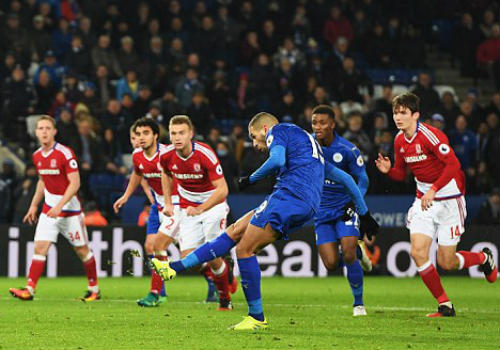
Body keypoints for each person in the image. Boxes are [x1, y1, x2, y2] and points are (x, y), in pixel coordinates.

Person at [152, 112, 379, 330]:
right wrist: (365, 214)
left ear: (264, 129)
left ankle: (256, 317)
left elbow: (277, 158)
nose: (254, 143)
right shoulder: (310, 147)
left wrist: (250, 179)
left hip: (289, 198)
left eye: (253, 136)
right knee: (235, 231)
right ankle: (174, 267)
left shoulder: (280, 129)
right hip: (300, 203)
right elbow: (346, 179)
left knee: (244, 250)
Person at [375, 92, 497, 317]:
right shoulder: (400, 140)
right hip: (424, 201)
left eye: (403, 113)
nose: (398, 117)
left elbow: (453, 165)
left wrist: (433, 189)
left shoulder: (431, 136)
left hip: (449, 200)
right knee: (418, 252)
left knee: (447, 262)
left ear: (416, 115)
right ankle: (444, 304)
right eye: (395, 113)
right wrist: (388, 172)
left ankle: (483, 258)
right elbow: (401, 173)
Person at [9, 115, 100, 301]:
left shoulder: (65, 153)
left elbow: (75, 183)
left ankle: (94, 289)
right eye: (40, 128)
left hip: (70, 212)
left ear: (54, 131)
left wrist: (60, 205)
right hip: (49, 211)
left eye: (47, 128)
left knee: (83, 250)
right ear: (36, 132)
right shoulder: (36, 156)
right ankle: (29, 289)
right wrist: (34, 205)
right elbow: (42, 182)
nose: (44, 132)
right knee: (40, 247)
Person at [158, 115, 237, 311]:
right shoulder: (167, 155)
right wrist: (168, 202)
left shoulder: (205, 154)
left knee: (210, 254)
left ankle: (225, 300)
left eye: (181, 133)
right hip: (188, 208)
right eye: (173, 133)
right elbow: (165, 173)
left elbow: (223, 189)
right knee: (190, 261)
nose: (177, 137)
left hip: (213, 206)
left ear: (190, 134)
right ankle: (225, 269)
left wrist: (202, 208)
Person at [311, 105, 372, 317]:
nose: (318, 127)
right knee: (330, 263)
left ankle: (358, 304)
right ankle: (358, 251)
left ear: (333, 125)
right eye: (314, 123)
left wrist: (355, 203)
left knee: (346, 254)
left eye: (322, 123)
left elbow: (363, 180)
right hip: (320, 212)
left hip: (345, 208)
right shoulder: (306, 146)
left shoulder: (347, 149)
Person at [113, 118, 181, 307]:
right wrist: (126, 196)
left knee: (192, 252)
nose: (141, 138)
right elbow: (137, 173)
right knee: (152, 245)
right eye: (138, 134)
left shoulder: (168, 154)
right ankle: (156, 292)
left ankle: (220, 282)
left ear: (155, 135)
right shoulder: (137, 156)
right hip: (159, 206)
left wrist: (171, 202)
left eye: (146, 133)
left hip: (178, 205)